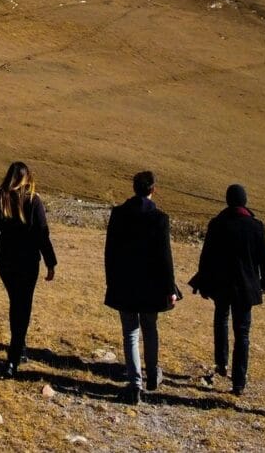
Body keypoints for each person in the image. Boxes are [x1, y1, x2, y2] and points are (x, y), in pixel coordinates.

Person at [104, 170, 179, 404]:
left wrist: (111, 281)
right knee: (150, 328)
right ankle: (153, 373)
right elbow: (165, 257)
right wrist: (170, 288)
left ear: (134, 188)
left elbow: (110, 252)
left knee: (130, 332)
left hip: (125, 283)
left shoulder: (118, 214)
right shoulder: (159, 218)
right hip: (152, 285)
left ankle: (135, 384)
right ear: (153, 189)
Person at [189, 183, 265, 394]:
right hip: (245, 287)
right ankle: (239, 381)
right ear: (245, 201)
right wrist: (264, 283)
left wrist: (204, 282)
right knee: (242, 333)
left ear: (227, 201)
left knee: (221, 321)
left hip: (221, 285)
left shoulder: (217, 224)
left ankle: (221, 363)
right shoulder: (256, 226)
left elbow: (206, 257)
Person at [0, 161, 57, 377]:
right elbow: (42, 234)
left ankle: (19, 348)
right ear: (27, 178)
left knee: (16, 303)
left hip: (5, 260)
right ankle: (14, 357)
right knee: (23, 306)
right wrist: (51, 262)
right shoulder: (33, 201)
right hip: (28, 261)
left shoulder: (1, 200)